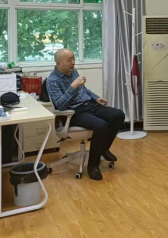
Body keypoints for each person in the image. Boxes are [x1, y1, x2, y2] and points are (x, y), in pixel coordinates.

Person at [47, 48, 125, 181]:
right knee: (101, 126)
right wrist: (73, 87)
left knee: (118, 115)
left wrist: (96, 98)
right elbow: (60, 105)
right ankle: (93, 166)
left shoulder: (73, 72)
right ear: (59, 63)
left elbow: (84, 90)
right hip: (74, 112)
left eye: (73, 59)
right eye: (69, 60)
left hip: (89, 105)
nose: (73, 62)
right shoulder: (52, 80)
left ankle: (103, 149)